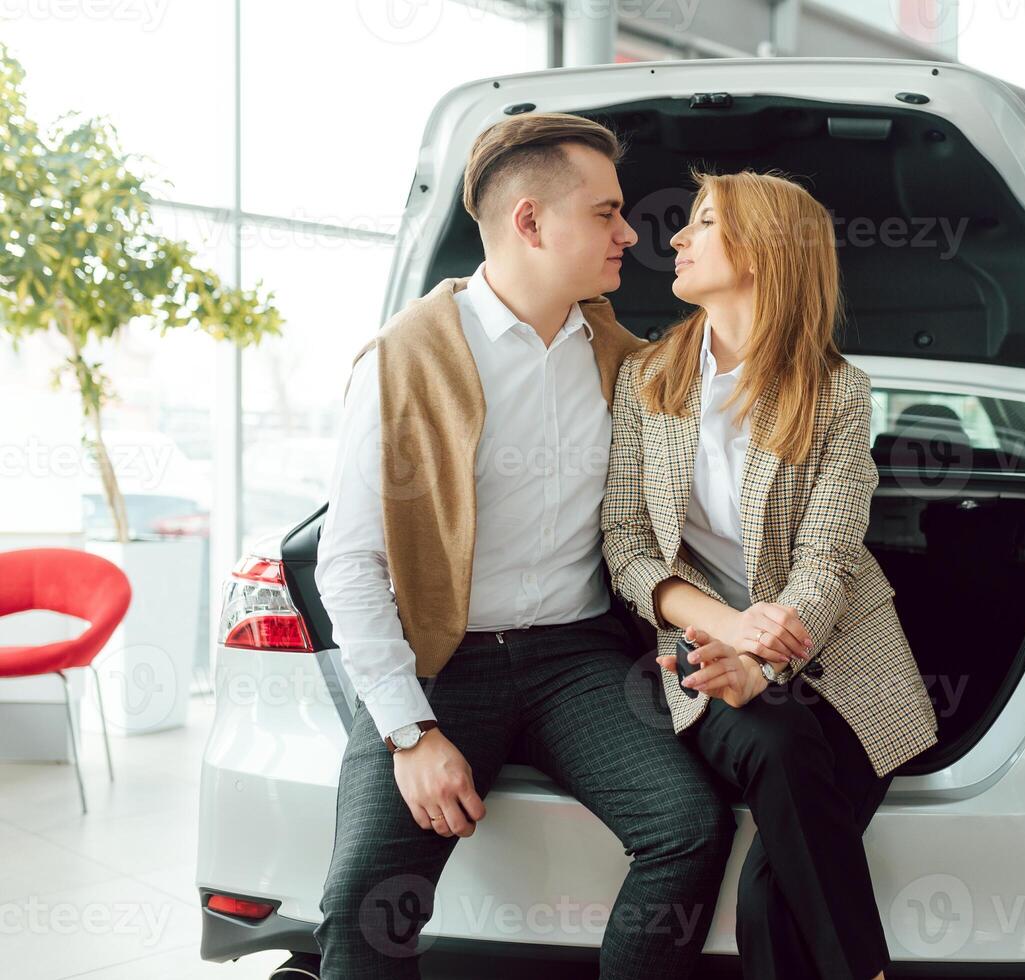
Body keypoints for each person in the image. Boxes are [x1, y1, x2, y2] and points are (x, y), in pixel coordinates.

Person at [313, 112, 734, 980]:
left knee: (688, 828)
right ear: (531, 222)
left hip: (576, 661)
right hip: (442, 662)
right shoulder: (404, 360)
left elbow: (704, 505)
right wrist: (408, 735)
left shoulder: (626, 361)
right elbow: (350, 564)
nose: (631, 233)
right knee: (361, 905)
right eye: (607, 212)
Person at [601, 169, 940, 980]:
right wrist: (727, 637)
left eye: (702, 223)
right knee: (780, 743)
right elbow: (625, 544)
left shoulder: (839, 392)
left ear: (761, 250)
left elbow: (829, 556)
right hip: (701, 643)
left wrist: (767, 658)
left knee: (768, 898)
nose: (674, 239)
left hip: (847, 657)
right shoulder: (647, 381)